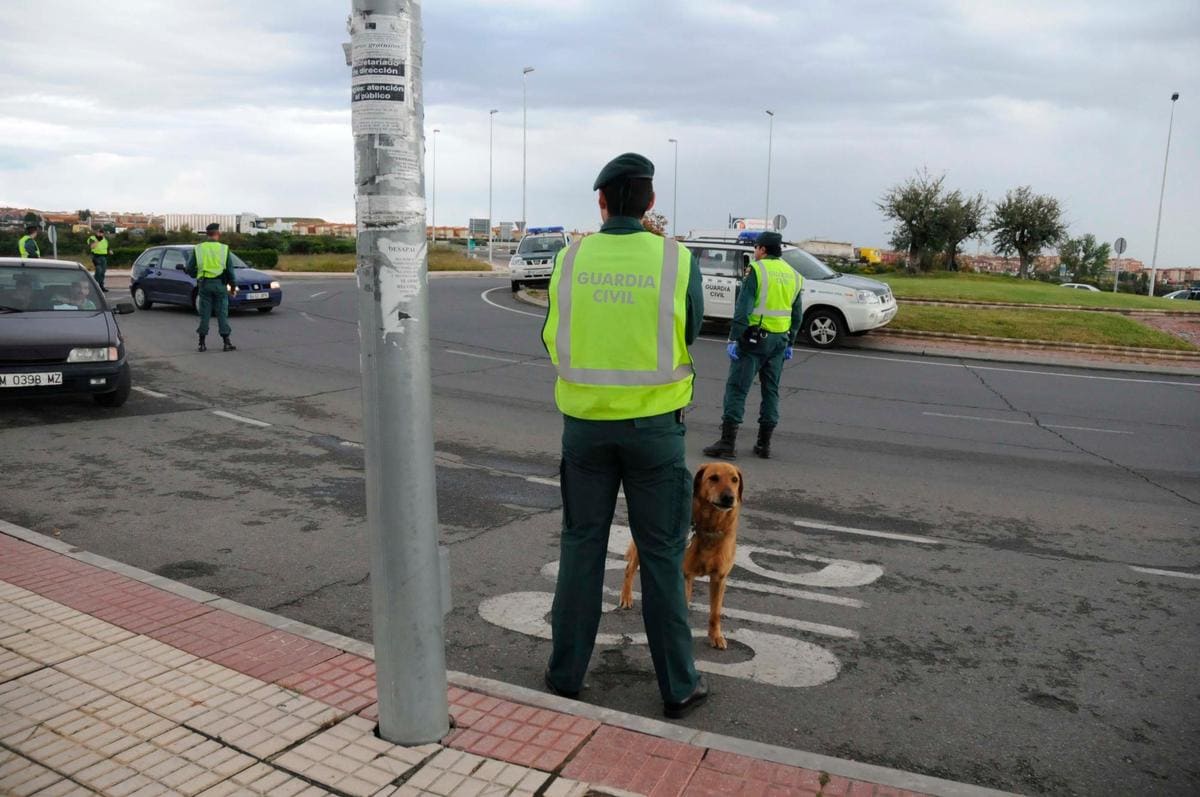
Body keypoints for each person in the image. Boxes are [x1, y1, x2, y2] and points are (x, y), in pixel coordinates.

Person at [541, 152, 709, 719]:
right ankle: (678, 686)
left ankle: (565, 675)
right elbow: (691, 329)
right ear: (651, 203)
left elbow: (551, 337)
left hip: (584, 429)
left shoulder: (570, 258)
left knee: (581, 546)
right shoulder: (677, 260)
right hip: (655, 432)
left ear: (602, 201)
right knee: (661, 556)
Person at [703, 231, 803, 460]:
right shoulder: (794, 275)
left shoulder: (757, 271)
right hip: (780, 341)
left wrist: (733, 338)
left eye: (756, 248)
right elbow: (797, 313)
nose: (755, 252)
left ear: (763, 250)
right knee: (771, 391)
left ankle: (727, 443)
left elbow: (743, 309)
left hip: (755, 340)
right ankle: (764, 444)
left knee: (737, 388)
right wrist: (791, 342)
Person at [186, 223, 237, 352]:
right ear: (217, 233)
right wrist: (232, 287)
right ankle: (226, 343)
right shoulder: (224, 249)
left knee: (205, 314)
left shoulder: (198, 248)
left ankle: (202, 344)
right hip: (220, 285)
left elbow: (189, 268)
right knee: (222, 314)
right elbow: (230, 271)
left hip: (204, 285)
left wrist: (196, 275)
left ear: (207, 234)